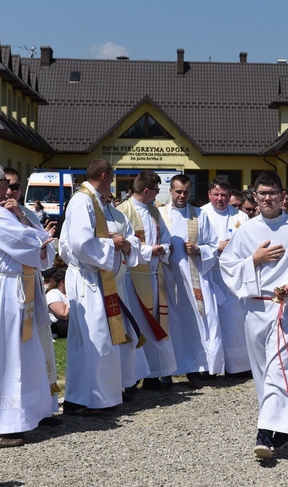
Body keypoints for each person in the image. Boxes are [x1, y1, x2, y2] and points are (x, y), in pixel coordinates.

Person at [220, 171, 288, 459]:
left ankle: (264, 433)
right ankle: (281, 431)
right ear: (255, 196)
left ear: (283, 196)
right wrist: (254, 260)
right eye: (262, 193)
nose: (267, 198)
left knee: (280, 370)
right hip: (255, 310)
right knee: (263, 373)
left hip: (287, 310)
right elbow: (227, 266)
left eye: (272, 193)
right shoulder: (246, 231)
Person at [59, 159, 141, 415]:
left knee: (95, 340)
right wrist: (111, 244)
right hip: (88, 278)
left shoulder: (94, 200)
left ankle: (86, 397)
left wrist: (115, 242)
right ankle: (91, 400)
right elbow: (80, 243)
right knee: (95, 340)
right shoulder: (82, 200)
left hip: (99, 278)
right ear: (105, 175)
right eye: (113, 176)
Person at [0, 163, 53, 448]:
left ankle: (4, 420)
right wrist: (44, 238)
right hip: (2, 290)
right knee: (4, 353)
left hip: (0, 286)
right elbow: (24, 240)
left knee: (3, 351)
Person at [116, 171, 177, 391]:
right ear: (146, 191)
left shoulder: (154, 212)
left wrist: (164, 249)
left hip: (154, 276)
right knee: (137, 328)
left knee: (156, 326)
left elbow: (167, 239)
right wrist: (151, 250)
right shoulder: (122, 212)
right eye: (154, 192)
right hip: (133, 280)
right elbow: (124, 245)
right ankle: (131, 379)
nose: (156, 197)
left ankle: (155, 374)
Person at [159, 174, 221, 389]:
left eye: (186, 192)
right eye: (178, 191)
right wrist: (166, 251)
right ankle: (166, 370)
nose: (182, 196)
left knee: (193, 323)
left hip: (193, 276)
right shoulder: (160, 214)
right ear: (170, 191)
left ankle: (193, 368)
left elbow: (213, 245)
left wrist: (198, 249)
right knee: (169, 323)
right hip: (167, 277)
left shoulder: (199, 215)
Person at [200, 177, 251, 375]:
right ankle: (209, 367)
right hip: (209, 273)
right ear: (209, 195)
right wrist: (216, 246)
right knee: (209, 321)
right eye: (216, 194)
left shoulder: (240, 217)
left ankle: (237, 366)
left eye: (223, 195)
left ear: (230, 196)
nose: (220, 199)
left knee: (234, 319)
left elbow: (248, 243)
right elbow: (194, 244)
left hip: (231, 276)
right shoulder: (202, 213)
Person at [46, 268, 69, 339]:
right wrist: (71, 299)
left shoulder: (66, 293)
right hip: (57, 326)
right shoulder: (53, 294)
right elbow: (64, 315)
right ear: (62, 282)